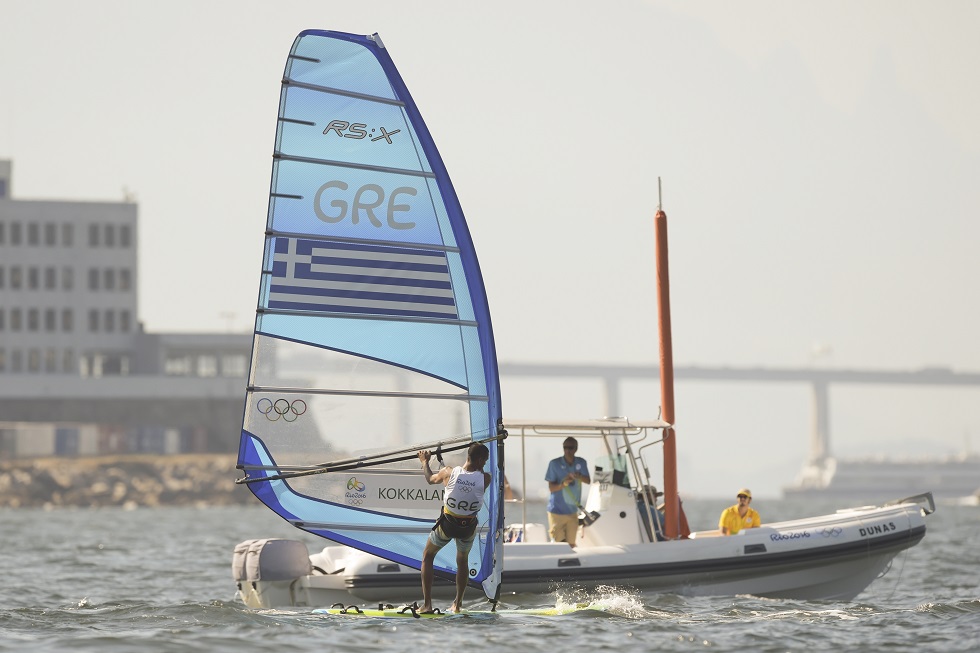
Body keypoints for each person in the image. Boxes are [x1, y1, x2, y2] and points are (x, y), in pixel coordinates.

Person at [418, 443, 491, 614]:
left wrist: (424, 462)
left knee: (427, 556)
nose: (485, 464)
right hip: (467, 529)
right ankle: (457, 605)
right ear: (480, 460)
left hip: (447, 526)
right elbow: (472, 479)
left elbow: (430, 480)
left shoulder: (449, 472)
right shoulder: (485, 478)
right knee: (462, 560)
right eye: (485, 461)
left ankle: (427, 605)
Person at [544, 437, 591, 547]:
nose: (567, 451)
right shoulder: (554, 464)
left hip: (572, 511)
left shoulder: (581, 462)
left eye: (570, 448)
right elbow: (551, 488)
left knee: (571, 544)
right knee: (559, 543)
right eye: (565, 448)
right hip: (556, 511)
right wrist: (563, 484)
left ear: (576, 449)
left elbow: (588, 480)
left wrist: (579, 476)